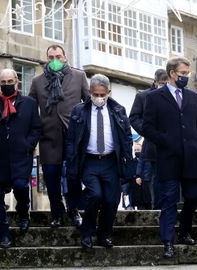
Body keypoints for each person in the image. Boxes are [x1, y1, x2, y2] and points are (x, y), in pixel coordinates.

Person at [142, 57, 197, 258]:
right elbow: (147, 127)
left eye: (188, 73)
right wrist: (165, 141)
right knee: (169, 199)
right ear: (172, 73)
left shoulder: (192, 97)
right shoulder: (154, 97)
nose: (186, 77)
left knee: (193, 196)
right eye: (183, 73)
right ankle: (167, 241)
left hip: (191, 157)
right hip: (168, 157)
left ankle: (185, 231)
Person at [66, 74, 133, 250]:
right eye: (96, 94)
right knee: (94, 195)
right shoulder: (79, 111)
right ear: (90, 93)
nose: (99, 98)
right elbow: (71, 140)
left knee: (111, 200)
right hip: (89, 161)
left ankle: (103, 235)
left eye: (103, 95)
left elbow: (126, 138)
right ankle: (87, 234)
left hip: (111, 161)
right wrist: (72, 163)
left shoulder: (119, 110)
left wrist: (129, 163)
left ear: (108, 93)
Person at [29, 44, 89, 228]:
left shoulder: (79, 76)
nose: (55, 60)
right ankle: (57, 212)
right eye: (51, 57)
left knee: (73, 176)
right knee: (51, 177)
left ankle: (73, 209)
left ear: (65, 57)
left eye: (58, 56)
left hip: (72, 134)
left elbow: (88, 104)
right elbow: (31, 110)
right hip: (48, 136)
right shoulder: (38, 81)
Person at [0, 68, 41, 248]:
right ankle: (3, 232)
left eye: (10, 82)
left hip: (20, 156)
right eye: (3, 82)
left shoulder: (29, 103)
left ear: (17, 82)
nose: (7, 85)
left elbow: (36, 128)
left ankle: (24, 213)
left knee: (21, 187)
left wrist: (28, 145)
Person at [129, 69, 168, 209]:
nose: (163, 85)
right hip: (152, 146)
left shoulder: (173, 95)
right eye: (161, 83)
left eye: (166, 83)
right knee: (153, 180)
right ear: (155, 81)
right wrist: (147, 131)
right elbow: (133, 117)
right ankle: (155, 208)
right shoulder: (143, 96)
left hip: (170, 145)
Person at [132, 143, 153, 210]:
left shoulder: (148, 159)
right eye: (135, 150)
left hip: (147, 184)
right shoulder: (133, 162)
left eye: (138, 149)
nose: (136, 151)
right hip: (138, 191)